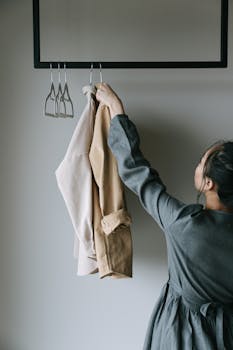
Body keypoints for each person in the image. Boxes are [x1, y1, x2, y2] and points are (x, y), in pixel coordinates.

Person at [95, 83, 233, 350]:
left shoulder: (184, 224)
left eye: (200, 163)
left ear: (209, 184)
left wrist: (116, 110)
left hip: (180, 333)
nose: (197, 166)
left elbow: (139, 175)